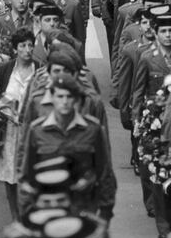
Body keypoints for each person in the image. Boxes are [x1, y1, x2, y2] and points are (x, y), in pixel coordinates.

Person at [18, 75, 116, 222]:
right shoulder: (37, 130)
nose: (64, 102)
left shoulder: (92, 129)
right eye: (60, 96)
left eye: (69, 96)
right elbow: (26, 176)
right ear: (51, 98)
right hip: (47, 210)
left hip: (84, 209)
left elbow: (104, 172)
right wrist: (27, 214)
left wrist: (106, 211)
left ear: (76, 99)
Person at [0, 28, 36, 220]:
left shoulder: (40, 69)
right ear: (15, 48)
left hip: (31, 131)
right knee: (10, 176)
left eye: (30, 45)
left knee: (31, 175)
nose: (27, 50)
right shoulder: (5, 69)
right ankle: (16, 217)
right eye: (23, 46)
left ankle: (28, 216)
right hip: (8, 131)